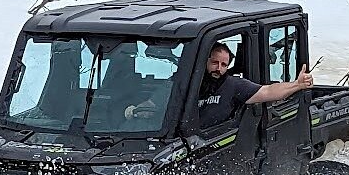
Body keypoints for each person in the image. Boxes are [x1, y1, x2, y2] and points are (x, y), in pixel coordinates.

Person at [124, 42, 314, 125]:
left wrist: (297, 85)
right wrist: (134, 111)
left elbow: (267, 91)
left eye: (224, 64)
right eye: (215, 63)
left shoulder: (233, 85)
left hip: (217, 142)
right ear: (204, 61)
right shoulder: (180, 84)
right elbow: (152, 104)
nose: (219, 69)